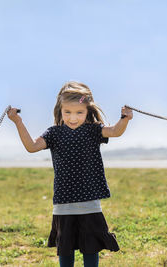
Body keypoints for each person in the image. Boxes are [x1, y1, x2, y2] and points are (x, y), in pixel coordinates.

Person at [7, 81, 133, 267]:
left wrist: (125, 118)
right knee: (65, 250)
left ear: (87, 111)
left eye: (79, 113)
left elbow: (115, 131)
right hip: (63, 203)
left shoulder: (93, 130)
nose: (73, 118)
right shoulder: (54, 133)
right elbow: (32, 147)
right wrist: (18, 122)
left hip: (89, 202)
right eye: (68, 112)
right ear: (60, 110)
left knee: (91, 248)